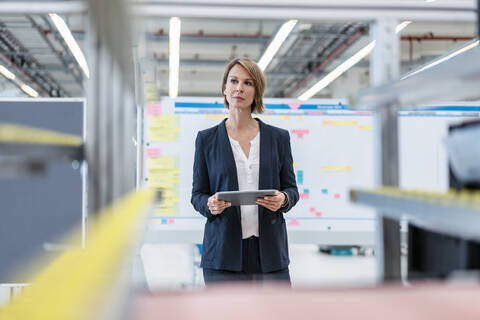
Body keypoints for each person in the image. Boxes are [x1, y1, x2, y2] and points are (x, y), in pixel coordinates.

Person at [191, 58, 299, 285]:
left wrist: (284, 199)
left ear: (256, 91)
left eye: (248, 83)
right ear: (224, 88)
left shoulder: (278, 138)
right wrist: (209, 204)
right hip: (223, 254)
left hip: (270, 254)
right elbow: (198, 194)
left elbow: (291, 189)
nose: (239, 88)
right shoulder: (206, 140)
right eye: (234, 81)